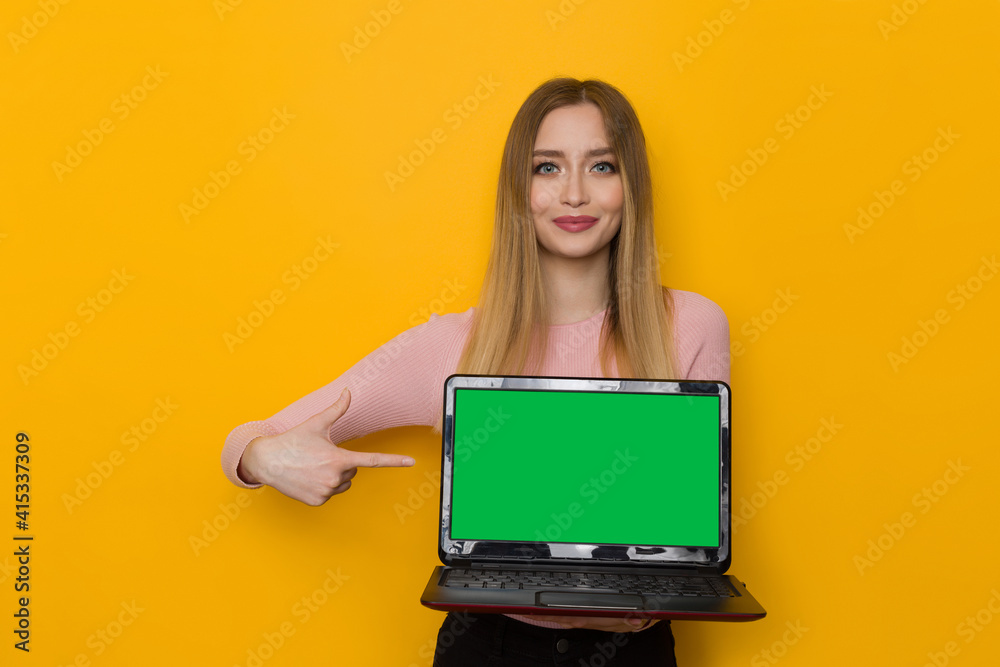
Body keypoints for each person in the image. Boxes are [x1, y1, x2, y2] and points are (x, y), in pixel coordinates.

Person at [221, 77, 729, 666]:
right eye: (546, 168)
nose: (572, 194)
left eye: (601, 166)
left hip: (636, 653)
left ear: (630, 186)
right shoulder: (449, 345)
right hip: (491, 648)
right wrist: (263, 459)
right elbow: (244, 441)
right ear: (520, 188)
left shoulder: (692, 325)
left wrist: (637, 602)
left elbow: (688, 537)